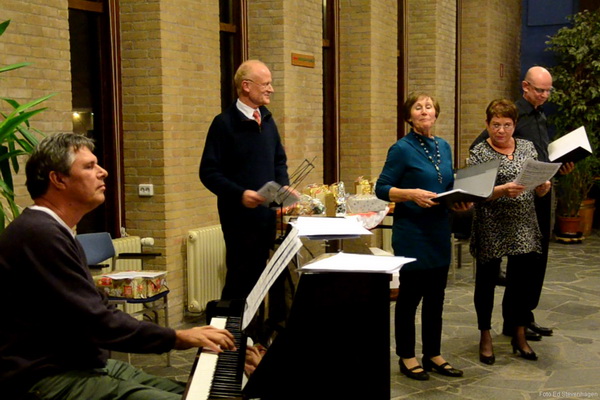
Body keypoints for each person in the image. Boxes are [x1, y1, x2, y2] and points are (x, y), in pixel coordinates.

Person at [0, 133, 236, 400]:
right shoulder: (40, 234)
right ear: (58, 179)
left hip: (81, 364)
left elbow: (98, 307)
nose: (103, 172)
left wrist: (178, 336)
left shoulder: (54, 230)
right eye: (89, 166)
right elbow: (96, 322)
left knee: (205, 395)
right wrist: (178, 338)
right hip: (46, 377)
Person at [470, 66, 574, 341]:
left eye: (548, 91)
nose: (545, 95)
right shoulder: (512, 116)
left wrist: (559, 167)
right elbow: (481, 149)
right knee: (517, 267)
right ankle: (512, 322)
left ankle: (523, 316)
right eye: (540, 90)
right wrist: (499, 186)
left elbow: (541, 155)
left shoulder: (540, 115)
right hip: (507, 202)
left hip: (537, 193)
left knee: (534, 262)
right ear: (525, 86)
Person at [375, 92, 467, 381]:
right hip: (412, 233)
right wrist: (410, 194)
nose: (425, 111)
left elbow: (447, 184)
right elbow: (382, 188)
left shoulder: (444, 146)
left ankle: (433, 353)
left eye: (429, 107)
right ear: (409, 116)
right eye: (418, 107)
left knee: (436, 298)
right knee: (410, 298)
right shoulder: (401, 149)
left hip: (439, 230)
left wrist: (459, 200)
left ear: (436, 114)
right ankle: (407, 355)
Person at [469, 99, 552, 364]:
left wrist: (543, 187)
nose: (501, 130)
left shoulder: (527, 147)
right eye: (496, 125)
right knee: (486, 282)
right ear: (487, 125)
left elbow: (537, 183)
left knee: (521, 282)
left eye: (506, 125)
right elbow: (475, 194)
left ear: (515, 125)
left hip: (523, 222)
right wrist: (502, 190)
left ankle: (518, 333)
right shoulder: (479, 152)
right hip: (491, 222)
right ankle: (485, 335)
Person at [200, 59, 291, 302]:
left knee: (269, 281)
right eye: (266, 84)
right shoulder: (223, 124)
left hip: (267, 217)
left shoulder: (268, 120)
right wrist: (240, 194)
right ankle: (230, 326)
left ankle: (265, 326)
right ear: (246, 86)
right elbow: (208, 173)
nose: (271, 89)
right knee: (241, 282)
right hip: (238, 219)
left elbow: (279, 161)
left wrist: (283, 187)